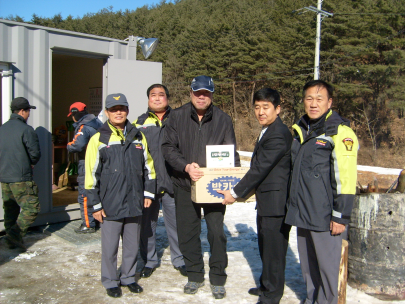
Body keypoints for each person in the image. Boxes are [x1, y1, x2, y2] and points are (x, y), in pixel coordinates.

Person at [161, 75, 240, 299]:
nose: (201, 96)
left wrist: (230, 186)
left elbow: (231, 153)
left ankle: (217, 278)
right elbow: (168, 148)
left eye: (206, 92)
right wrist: (185, 167)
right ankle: (195, 275)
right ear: (191, 93)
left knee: (216, 232)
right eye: (198, 92)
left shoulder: (223, 119)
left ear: (212, 94)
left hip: (213, 188)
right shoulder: (176, 116)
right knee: (188, 233)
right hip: (185, 184)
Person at [285, 80, 358, 304]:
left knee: (327, 271)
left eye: (319, 99)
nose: (313, 104)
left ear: (330, 102)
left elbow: (345, 179)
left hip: (326, 216)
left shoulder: (340, 133)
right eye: (309, 98)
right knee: (308, 269)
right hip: (303, 212)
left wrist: (340, 215)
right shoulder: (301, 129)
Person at [218, 88, 292, 304]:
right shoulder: (268, 130)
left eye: (266, 107)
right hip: (268, 202)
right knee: (266, 247)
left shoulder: (278, 133)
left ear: (277, 109)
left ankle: (271, 296)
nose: (260, 112)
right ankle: (267, 285)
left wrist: (234, 193)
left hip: (276, 204)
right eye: (257, 107)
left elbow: (259, 169)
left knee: (274, 251)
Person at [85, 93, 155, 298]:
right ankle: (110, 281)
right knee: (110, 246)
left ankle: (128, 278)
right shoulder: (99, 138)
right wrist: (95, 205)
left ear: (127, 110)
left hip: (134, 201)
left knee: (132, 244)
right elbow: (90, 175)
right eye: (114, 109)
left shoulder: (138, 136)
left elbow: (149, 167)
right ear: (107, 112)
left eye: (122, 108)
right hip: (110, 203)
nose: (118, 112)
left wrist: (148, 192)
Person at [133, 84, 186, 278]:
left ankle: (180, 259)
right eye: (153, 95)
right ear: (148, 99)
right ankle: (149, 260)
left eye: (161, 95)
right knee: (147, 225)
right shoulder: (139, 123)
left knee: (177, 224)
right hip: (149, 184)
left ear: (168, 99)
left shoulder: (178, 119)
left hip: (174, 181)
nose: (157, 98)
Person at [0, 97, 41, 251]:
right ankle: (13, 236)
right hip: (21, 177)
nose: (29, 114)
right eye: (28, 111)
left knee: (10, 210)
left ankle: (11, 242)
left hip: (4, 178)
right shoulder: (26, 129)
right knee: (32, 208)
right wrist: (30, 163)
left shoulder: (2, 129)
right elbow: (35, 154)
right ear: (23, 111)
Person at [67, 102, 102, 233]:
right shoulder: (97, 123)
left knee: (84, 193)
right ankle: (98, 220)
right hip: (100, 163)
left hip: (87, 163)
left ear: (75, 114)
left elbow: (77, 145)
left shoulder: (84, 127)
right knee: (97, 192)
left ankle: (88, 224)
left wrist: (69, 145)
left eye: (72, 115)